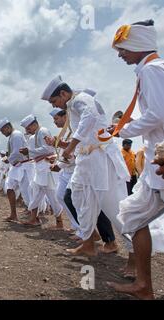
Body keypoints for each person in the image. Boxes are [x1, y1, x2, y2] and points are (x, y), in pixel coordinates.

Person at [41, 75, 132, 258]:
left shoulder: (79, 100)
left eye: (54, 101)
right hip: (87, 160)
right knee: (80, 199)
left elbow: (89, 117)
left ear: (63, 93)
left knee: (114, 206)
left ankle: (134, 255)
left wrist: (72, 146)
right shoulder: (73, 104)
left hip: (100, 159)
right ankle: (88, 243)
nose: (54, 106)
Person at [106, 19, 164, 299]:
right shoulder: (150, 70)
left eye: (124, 48)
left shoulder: (152, 71)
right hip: (155, 164)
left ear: (139, 45)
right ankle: (144, 285)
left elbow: (157, 115)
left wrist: (122, 130)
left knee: (133, 215)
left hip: (161, 163)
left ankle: (144, 285)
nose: (120, 54)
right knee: (132, 214)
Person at [19, 115, 63, 228]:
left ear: (34, 125)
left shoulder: (43, 131)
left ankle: (59, 222)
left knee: (52, 195)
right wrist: (28, 153)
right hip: (40, 167)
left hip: (46, 168)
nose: (27, 131)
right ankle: (34, 219)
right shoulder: (35, 136)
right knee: (34, 191)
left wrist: (29, 152)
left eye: (28, 128)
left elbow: (48, 149)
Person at [0, 118, 30, 222]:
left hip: (23, 166)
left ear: (8, 127)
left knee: (26, 193)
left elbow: (17, 152)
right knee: (9, 188)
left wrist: (8, 159)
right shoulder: (13, 136)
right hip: (16, 167)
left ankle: (35, 217)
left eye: (3, 131)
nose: (2, 133)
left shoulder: (16, 135)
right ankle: (13, 214)